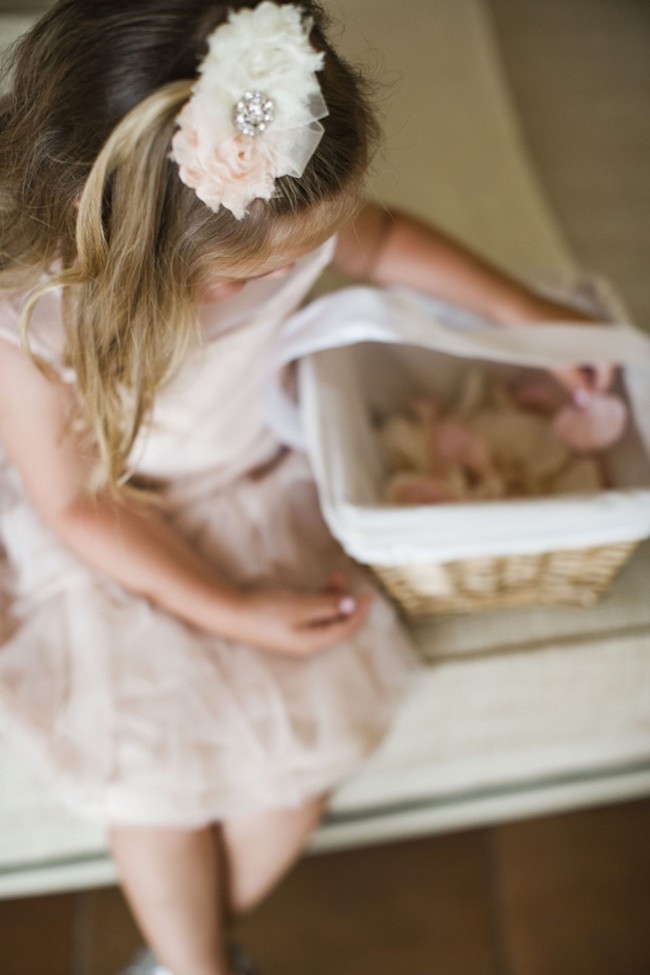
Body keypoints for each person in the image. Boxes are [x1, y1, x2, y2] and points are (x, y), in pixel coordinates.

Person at [0, 2, 612, 974]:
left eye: (302, 256)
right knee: (155, 788)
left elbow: (377, 240)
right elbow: (76, 505)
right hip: (119, 530)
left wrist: (522, 311)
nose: (298, 272)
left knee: (297, 777)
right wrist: (232, 610)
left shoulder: (275, 206)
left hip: (261, 486)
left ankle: (174, 959)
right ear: (113, 234)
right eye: (263, 275)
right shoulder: (35, 322)